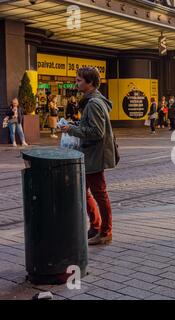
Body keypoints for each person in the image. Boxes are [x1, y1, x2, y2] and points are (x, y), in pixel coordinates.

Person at [61, 67, 116, 246]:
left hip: (94, 155)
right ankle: (96, 227)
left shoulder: (93, 103)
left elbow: (97, 132)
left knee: (99, 193)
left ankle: (105, 232)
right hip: (91, 153)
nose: (76, 83)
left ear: (90, 82)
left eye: (79, 80)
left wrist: (72, 129)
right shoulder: (93, 101)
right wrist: (76, 124)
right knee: (84, 191)